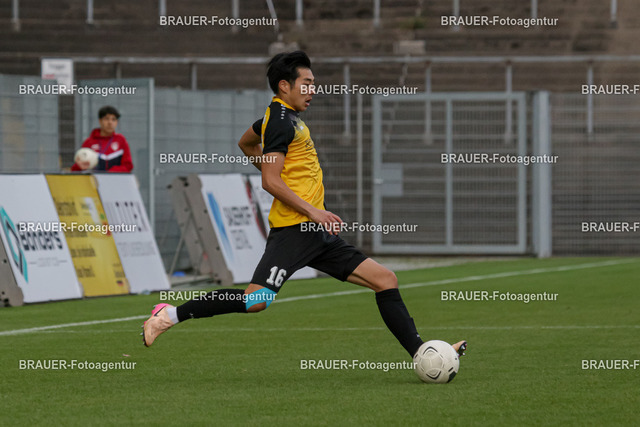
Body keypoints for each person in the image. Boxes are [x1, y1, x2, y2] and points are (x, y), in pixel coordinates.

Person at [142, 51, 466, 361]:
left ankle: (423, 354)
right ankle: (168, 315)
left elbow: (246, 143)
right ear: (285, 85)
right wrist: (312, 210)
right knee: (256, 301)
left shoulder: (283, 119)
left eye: (313, 84)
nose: (312, 90)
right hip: (294, 231)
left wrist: (298, 197)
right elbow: (270, 181)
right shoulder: (279, 121)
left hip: (316, 234)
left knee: (385, 279)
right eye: (306, 83)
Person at [71, 105, 133, 172]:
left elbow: (128, 166)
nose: (110, 122)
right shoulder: (89, 142)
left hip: (115, 178)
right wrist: (79, 166)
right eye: (106, 119)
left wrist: (110, 173)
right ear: (100, 121)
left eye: (113, 119)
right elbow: (76, 168)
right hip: (94, 178)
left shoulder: (121, 140)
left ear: (117, 122)